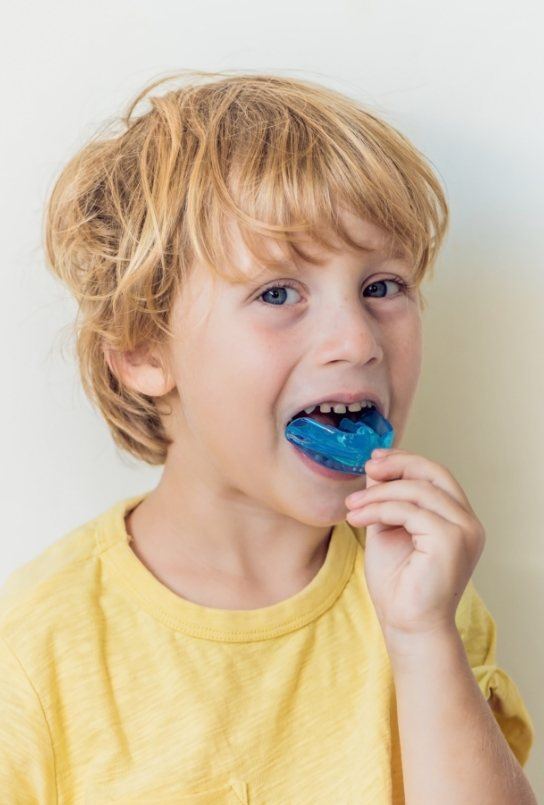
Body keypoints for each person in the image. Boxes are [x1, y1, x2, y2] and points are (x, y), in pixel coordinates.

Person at [0, 70, 536, 803]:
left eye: (382, 287)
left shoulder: (422, 593)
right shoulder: (31, 653)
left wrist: (422, 637)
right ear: (142, 350)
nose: (356, 340)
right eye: (277, 293)